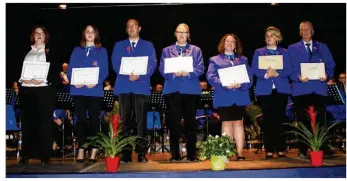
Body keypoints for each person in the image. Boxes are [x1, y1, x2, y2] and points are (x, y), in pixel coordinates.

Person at [112, 18, 157, 163]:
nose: (131, 28)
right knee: (125, 122)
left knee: (141, 122)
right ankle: (125, 154)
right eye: (128, 26)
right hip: (124, 86)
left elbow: (152, 64)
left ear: (139, 28)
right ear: (126, 30)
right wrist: (127, 73)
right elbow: (115, 63)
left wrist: (140, 75)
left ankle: (141, 153)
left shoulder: (148, 45)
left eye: (134, 26)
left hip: (141, 86)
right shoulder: (119, 45)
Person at [288, 21, 336, 157]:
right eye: (303, 29)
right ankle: (304, 149)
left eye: (308, 28)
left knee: (321, 120)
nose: (306, 31)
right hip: (301, 89)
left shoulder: (323, 47)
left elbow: (331, 64)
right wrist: (297, 76)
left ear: (312, 31)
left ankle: (322, 148)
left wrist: (327, 75)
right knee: (303, 121)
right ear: (300, 32)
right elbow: (289, 68)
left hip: (319, 89)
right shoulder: (292, 48)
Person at [159, 23, 204, 161]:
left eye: (184, 32)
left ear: (188, 35)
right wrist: (173, 74)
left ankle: (191, 154)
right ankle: (175, 154)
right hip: (173, 90)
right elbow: (162, 68)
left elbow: (200, 68)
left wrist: (188, 73)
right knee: (174, 124)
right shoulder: (166, 50)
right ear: (175, 34)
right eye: (179, 32)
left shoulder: (196, 50)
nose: (182, 35)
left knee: (191, 123)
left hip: (191, 90)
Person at [18, 25, 61, 164]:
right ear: (33, 36)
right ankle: (26, 154)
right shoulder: (25, 51)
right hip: (27, 90)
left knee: (44, 123)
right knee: (28, 123)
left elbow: (55, 73)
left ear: (46, 36)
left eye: (42, 33)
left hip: (44, 90)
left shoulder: (50, 53)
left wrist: (44, 79)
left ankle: (44, 155)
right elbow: (16, 69)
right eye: (36, 33)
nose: (39, 35)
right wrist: (21, 79)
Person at [206, 33, 253, 161]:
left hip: (239, 95)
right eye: (227, 41)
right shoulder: (214, 60)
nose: (229, 44)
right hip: (223, 96)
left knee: (238, 123)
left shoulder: (243, 60)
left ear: (236, 45)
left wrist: (241, 84)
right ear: (223, 44)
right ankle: (228, 152)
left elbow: (249, 78)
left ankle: (240, 153)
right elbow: (210, 77)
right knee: (226, 123)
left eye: (232, 42)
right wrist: (223, 83)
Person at [67, 25, 109, 163]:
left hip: (94, 90)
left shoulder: (101, 51)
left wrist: (96, 81)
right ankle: (81, 149)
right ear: (84, 34)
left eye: (92, 32)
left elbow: (104, 70)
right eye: (87, 31)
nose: (90, 34)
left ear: (96, 34)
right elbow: (71, 69)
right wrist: (74, 81)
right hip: (78, 90)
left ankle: (94, 150)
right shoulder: (76, 50)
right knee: (80, 120)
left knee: (94, 120)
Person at [251, 26, 292, 159]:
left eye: (272, 35)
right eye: (267, 35)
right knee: (267, 120)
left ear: (277, 38)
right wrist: (266, 75)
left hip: (281, 90)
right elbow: (254, 69)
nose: (269, 38)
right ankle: (269, 149)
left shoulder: (284, 52)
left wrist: (277, 73)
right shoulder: (259, 52)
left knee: (280, 119)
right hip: (265, 90)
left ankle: (280, 148)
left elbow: (290, 69)